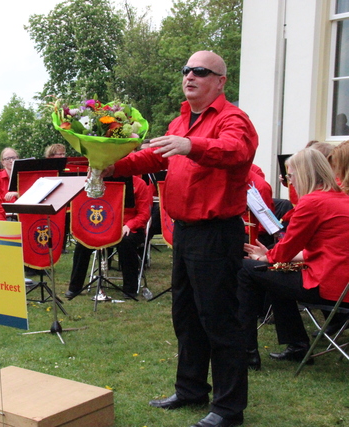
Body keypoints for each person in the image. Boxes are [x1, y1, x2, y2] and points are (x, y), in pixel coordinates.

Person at [102, 51, 257, 427]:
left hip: (216, 232)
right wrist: (110, 163)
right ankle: (190, 389)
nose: (190, 75)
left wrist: (193, 146)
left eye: (200, 71)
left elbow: (238, 151)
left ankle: (227, 408)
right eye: (187, 69)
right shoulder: (180, 120)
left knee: (219, 319)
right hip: (185, 232)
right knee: (186, 315)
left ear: (220, 81)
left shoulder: (233, 119)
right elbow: (151, 158)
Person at [238, 148, 349, 368]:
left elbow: (286, 250)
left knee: (246, 269)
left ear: (303, 174)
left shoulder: (313, 203)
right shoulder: (341, 199)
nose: (290, 182)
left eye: (291, 176)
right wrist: (270, 258)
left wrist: (266, 257)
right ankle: (296, 345)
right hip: (342, 284)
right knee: (275, 275)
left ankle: (246, 351)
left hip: (330, 286)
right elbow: (328, 249)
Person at [65, 176, 152, 299]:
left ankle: (130, 288)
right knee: (82, 242)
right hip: (105, 226)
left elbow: (144, 214)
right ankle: (75, 287)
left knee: (126, 242)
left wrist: (129, 225)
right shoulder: (99, 182)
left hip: (129, 227)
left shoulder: (139, 184)